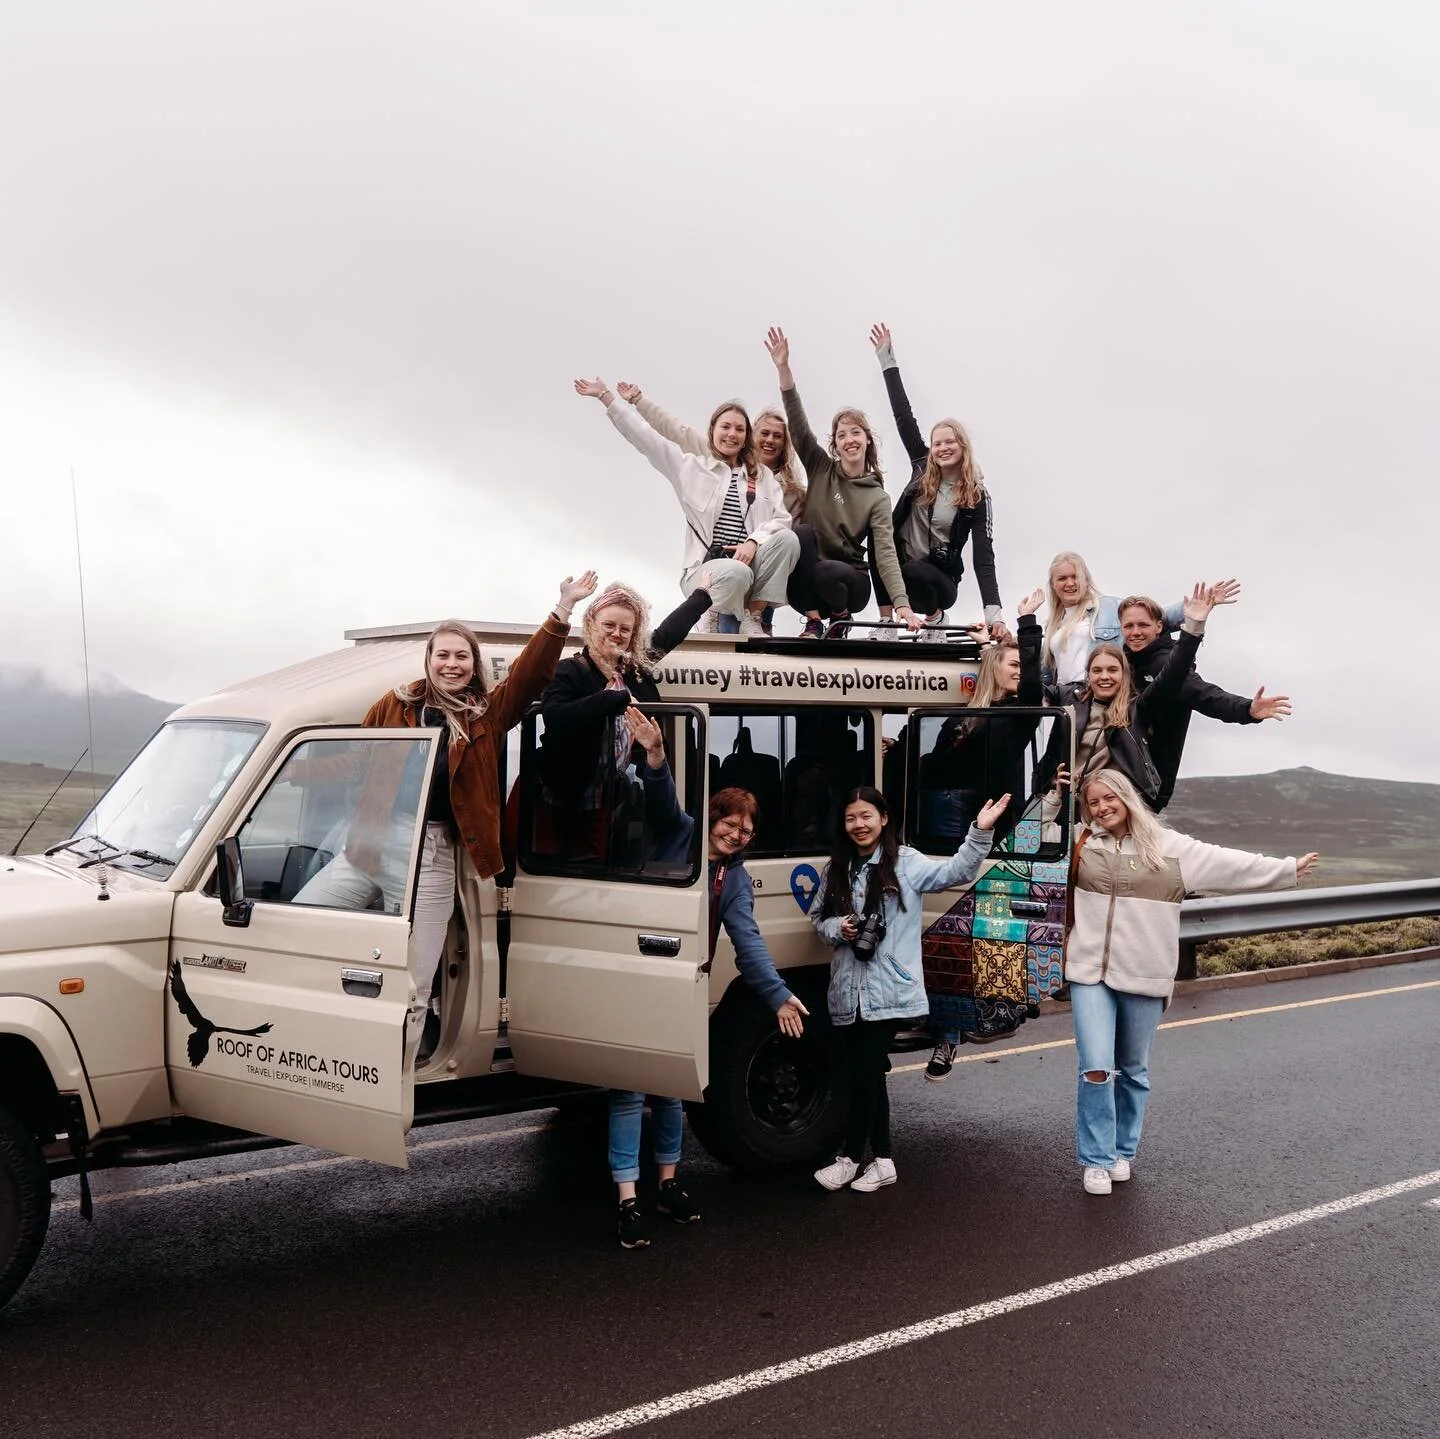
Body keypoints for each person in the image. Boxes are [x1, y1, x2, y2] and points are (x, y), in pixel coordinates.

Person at [295, 574, 597, 1082]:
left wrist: (562, 609)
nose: (452, 664)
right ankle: (320, 1046)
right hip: (369, 844)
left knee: (414, 982)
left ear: (472, 664)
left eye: (461, 656)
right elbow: (355, 762)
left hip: (431, 852)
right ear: (429, 661)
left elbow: (529, 676)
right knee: (299, 927)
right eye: (443, 656)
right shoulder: (394, 706)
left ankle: (390, 1082)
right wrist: (290, 771)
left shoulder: (486, 713)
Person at [1066, 768, 1319, 1194]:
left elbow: (1228, 864)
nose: (1102, 808)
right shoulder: (1081, 841)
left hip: (1145, 973)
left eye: (1110, 798)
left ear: (1127, 798)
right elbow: (1032, 844)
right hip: (1089, 971)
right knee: (1095, 1067)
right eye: (1093, 802)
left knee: (1132, 1070)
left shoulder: (1170, 848)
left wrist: (1285, 870)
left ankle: (1123, 1152)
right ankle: (1096, 1159)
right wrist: (1054, 800)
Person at [611, 773, 809, 1249]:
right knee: (629, 1090)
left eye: (746, 829)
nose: (735, 834)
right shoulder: (681, 834)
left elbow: (748, 943)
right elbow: (662, 798)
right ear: (712, 818)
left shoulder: (735, 879)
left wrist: (778, 993)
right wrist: (656, 758)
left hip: (684, 986)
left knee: (673, 1088)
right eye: (729, 822)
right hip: (638, 978)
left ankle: (667, 1185)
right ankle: (626, 1199)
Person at [810, 786, 1010, 1193]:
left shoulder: (906, 863)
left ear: (884, 819)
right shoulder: (836, 870)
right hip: (848, 991)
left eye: (867, 816)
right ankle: (879, 1161)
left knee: (865, 1071)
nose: (859, 825)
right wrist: (839, 928)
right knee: (862, 1076)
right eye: (851, 818)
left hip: (890, 991)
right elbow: (817, 920)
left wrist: (979, 832)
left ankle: (854, 1158)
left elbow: (956, 871)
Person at [908, 589, 1045, 1081]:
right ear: (991, 667)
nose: (1017, 669)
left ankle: (956, 1035)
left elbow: (1034, 686)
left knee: (980, 945)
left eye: (1019, 663)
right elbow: (933, 766)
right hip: (949, 836)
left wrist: (1026, 626)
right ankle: (945, 1031)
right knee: (947, 943)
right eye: (1009, 663)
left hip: (998, 838)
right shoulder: (961, 718)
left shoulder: (1018, 718)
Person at [574, 378, 798, 638]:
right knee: (735, 572)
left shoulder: (763, 479)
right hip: (706, 574)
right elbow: (647, 439)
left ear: (746, 436)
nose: (732, 434)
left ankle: (754, 617)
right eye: (725, 427)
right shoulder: (692, 468)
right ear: (713, 431)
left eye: (739, 429)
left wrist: (753, 542)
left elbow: (782, 520)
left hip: (750, 571)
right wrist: (606, 398)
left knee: (788, 539)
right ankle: (710, 614)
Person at [764, 327, 923, 639]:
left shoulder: (877, 497)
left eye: (855, 432)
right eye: (841, 435)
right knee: (802, 535)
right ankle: (813, 622)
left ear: (866, 440)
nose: (849, 440)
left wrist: (901, 605)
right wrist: (783, 368)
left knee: (826, 572)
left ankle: (841, 618)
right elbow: (797, 424)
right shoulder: (822, 468)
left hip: (850, 583)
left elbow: (886, 553)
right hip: (807, 586)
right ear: (834, 445)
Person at [535, 577, 711, 858]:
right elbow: (555, 716)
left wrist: (702, 595)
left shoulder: (632, 671)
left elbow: (668, 633)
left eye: (625, 629)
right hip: (556, 803)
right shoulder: (570, 670)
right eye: (609, 625)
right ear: (592, 625)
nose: (617, 634)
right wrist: (614, 699)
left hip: (605, 801)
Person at [868, 323, 1005, 634]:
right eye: (938, 443)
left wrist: (994, 614)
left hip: (938, 580)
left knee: (915, 572)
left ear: (962, 446)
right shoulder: (922, 466)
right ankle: (886, 621)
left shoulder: (977, 496)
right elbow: (903, 416)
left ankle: (936, 619)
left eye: (949, 442)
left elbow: (984, 557)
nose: (942, 448)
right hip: (899, 570)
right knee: (878, 534)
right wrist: (887, 360)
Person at [1036, 582, 1223, 809]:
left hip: (1110, 809)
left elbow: (1172, 676)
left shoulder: (1135, 709)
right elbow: (1030, 692)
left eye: (1112, 670)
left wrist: (1193, 627)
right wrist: (1025, 627)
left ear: (1124, 675)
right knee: (1025, 840)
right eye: (1097, 670)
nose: (1105, 676)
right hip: (1059, 803)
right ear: (1088, 675)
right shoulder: (1070, 699)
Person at [1119, 594, 1292, 812]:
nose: (1135, 632)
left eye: (1143, 625)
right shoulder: (1119, 665)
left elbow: (1206, 695)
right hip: (1116, 780)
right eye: (1129, 626)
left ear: (1159, 626)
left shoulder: (1168, 665)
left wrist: (1247, 709)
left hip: (1147, 787)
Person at [1041, 551, 1240, 701]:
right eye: (1062, 578)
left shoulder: (1108, 608)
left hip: (1100, 692)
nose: (1070, 583)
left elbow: (1154, 618)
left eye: (1075, 576)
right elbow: (1045, 673)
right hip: (1066, 699)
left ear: (1085, 579)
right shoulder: (1053, 625)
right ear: (1053, 584)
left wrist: (1198, 605)